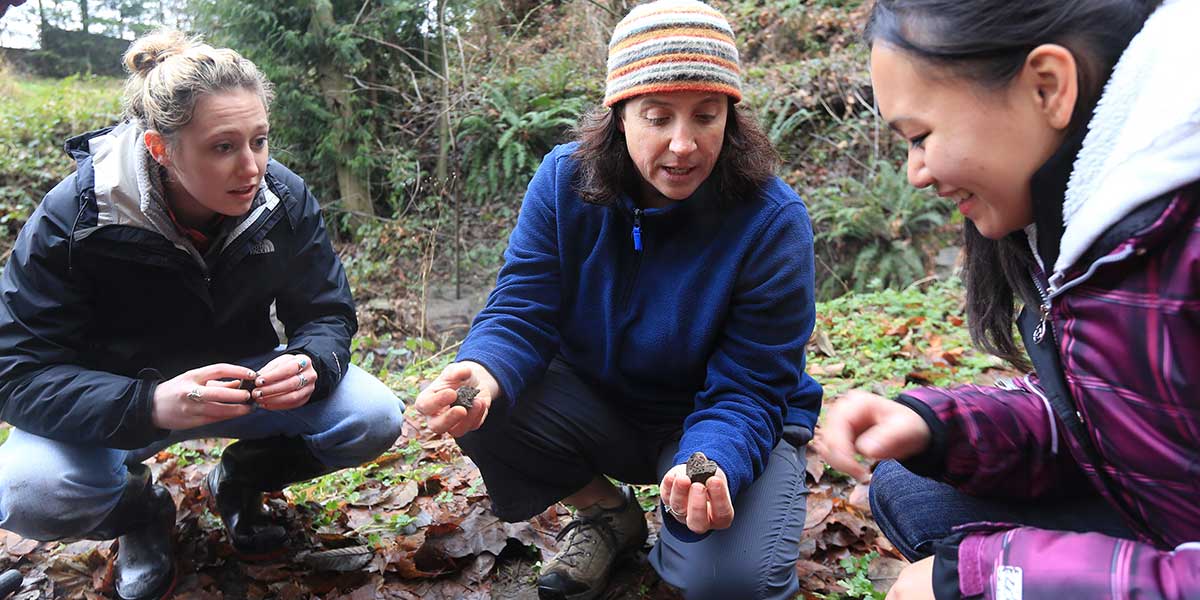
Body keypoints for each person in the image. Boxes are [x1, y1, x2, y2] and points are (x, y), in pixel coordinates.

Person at [415, 1, 823, 598]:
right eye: (658, 117)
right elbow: (522, 306)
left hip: (717, 423)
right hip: (598, 406)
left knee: (733, 582)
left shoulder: (772, 222)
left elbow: (752, 385)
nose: (683, 145)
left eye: (705, 116)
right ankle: (609, 515)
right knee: (485, 396)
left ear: (730, 119)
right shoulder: (564, 181)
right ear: (620, 114)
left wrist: (708, 461)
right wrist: (482, 369)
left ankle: (690, 511)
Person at [0, 30, 404, 600]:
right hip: (124, 398)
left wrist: (313, 360)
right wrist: (148, 403)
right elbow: (17, 370)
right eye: (224, 147)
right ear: (160, 149)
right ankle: (140, 512)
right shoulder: (75, 217)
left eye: (260, 140)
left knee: (374, 416)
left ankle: (243, 478)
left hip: (246, 384)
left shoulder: (282, 199)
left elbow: (327, 311)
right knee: (27, 492)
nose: (254, 166)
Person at [816, 0, 1200, 598]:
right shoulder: (1084, 222)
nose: (915, 171)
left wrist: (996, 579)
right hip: (1170, 521)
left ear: (1048, 87)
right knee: (912, 483)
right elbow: (1108, 409)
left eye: (920, 136)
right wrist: (936, 425)